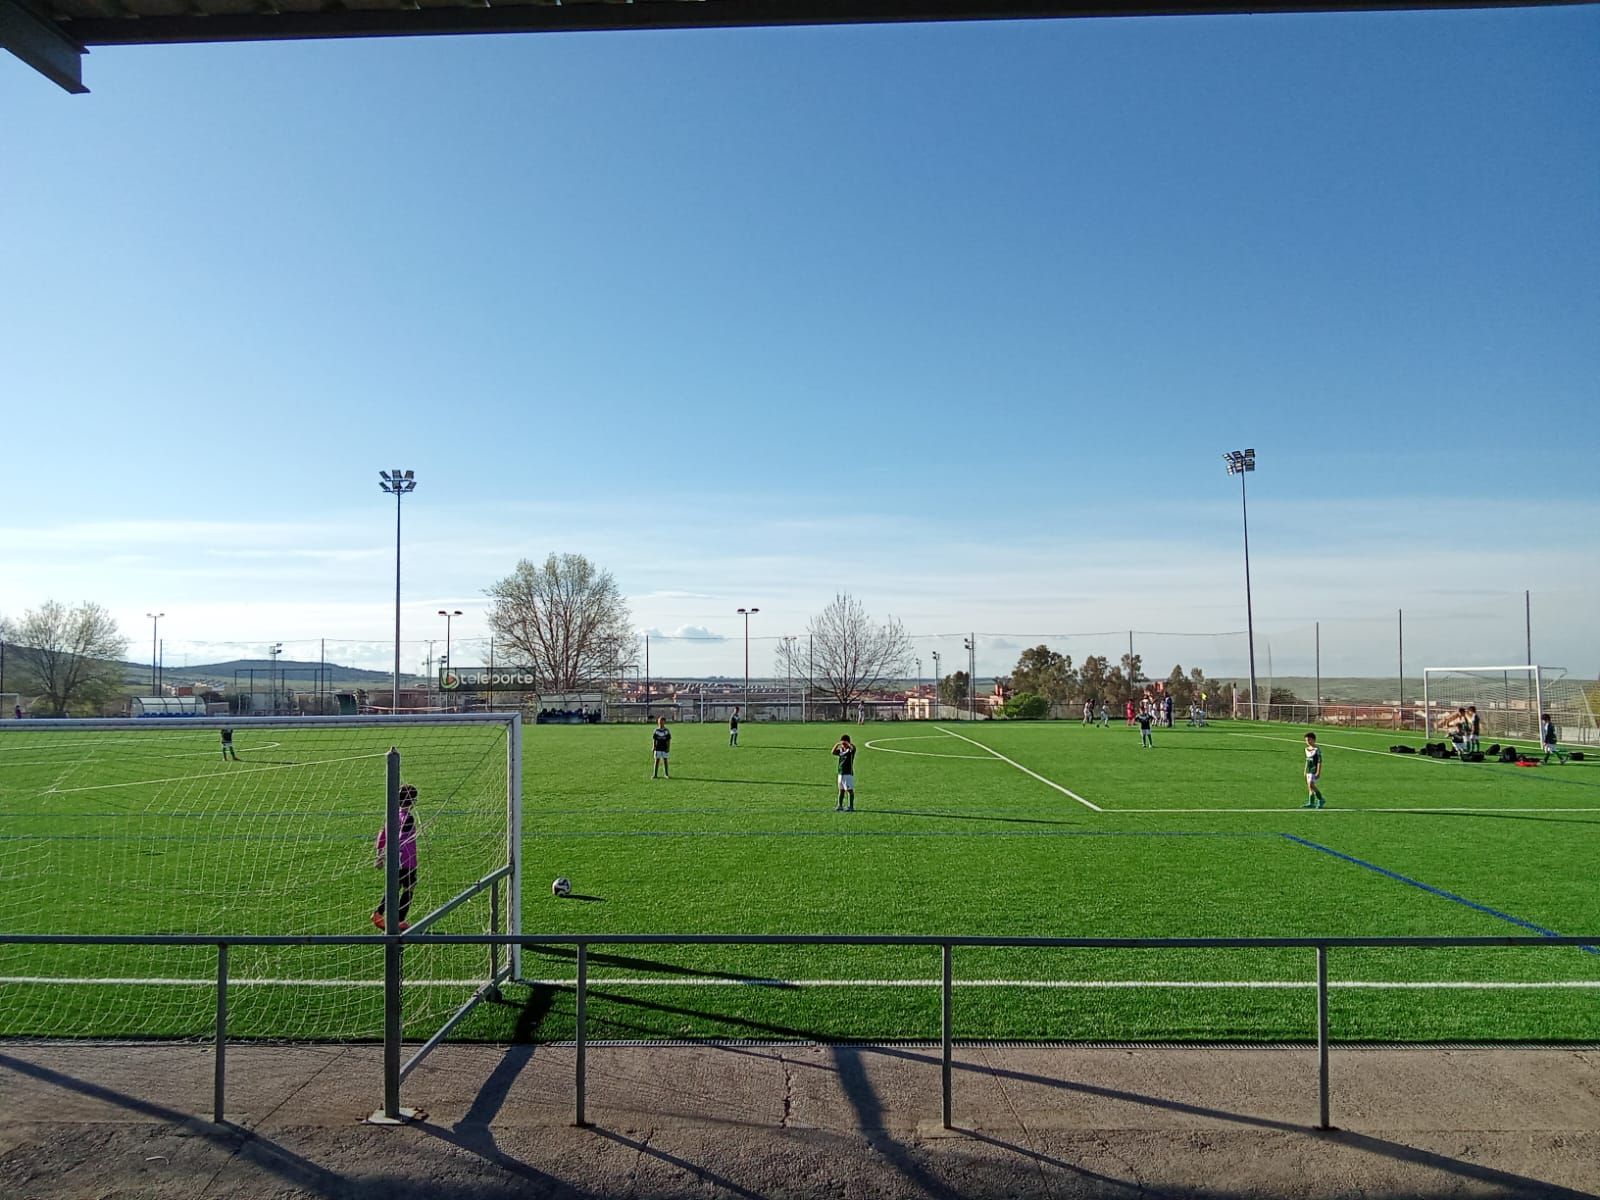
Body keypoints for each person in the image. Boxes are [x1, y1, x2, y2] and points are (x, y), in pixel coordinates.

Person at [372, 783, 419, 931]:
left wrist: (380, 855)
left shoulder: (393, 815)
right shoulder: (408, 818)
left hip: (395, 860)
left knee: (395, 886)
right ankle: (399, 920)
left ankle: (378, 914)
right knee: (409, 887)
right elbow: (401, 838)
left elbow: (382, 835)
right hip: (407, 860)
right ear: (412, 801)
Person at [1301, 733, 1326, 808]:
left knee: (1311, 784)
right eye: (1306, 740)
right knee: (1309, 787)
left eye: (1309, 739)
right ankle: (1311, 803)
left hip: (1314, 770)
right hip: (1308, 769)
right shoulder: (1306, 749)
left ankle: (1321, 799)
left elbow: (1319, 761)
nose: (1308, 741)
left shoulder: (1317, 749)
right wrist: (1305, 771)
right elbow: (1307, 761)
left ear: (1314, 740)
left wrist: (1318, 771)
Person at [832, 733, 856, 811]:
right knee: (841, 790)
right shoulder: (841, 750)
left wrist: (848, 744)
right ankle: (840, 805)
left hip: (848, 773)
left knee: (849, 790)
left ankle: (851, 806)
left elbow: (853, 748)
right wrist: (837, 744)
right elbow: (833, 752)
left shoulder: (850, 751)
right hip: (840, 773)